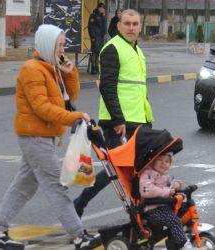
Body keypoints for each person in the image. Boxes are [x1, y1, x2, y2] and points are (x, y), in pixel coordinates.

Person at [0, 24, 99, 250]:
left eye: (64, 44)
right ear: (47, 44)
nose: (63, 49)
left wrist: (70, 72)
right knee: (57, 187)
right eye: (59, 45)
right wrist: (73, 117)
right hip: (35, 136)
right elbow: (41, 107)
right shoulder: (32, 69)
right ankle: (79, 236)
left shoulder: (51, 68)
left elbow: (70, 96)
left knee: (23, 186)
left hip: (43, 135)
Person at [73, 9, 154, 218]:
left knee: (136, 168)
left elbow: (138, 89)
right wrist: (118, 120)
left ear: (140, 27)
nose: (131, 28)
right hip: (117, 122)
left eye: (135, 24)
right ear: (118, 26)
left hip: (138, 120)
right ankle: (80, 203)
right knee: (116, 169)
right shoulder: (112, 49)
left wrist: (147, 120)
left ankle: (140, 211)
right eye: (127, 23)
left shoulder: (137, 50)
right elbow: (107, 87)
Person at [139, 152, 192, 249]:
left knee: (187, 208)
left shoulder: (164, 174)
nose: (163, 163)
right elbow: (145, 190)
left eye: (167, 161)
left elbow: (172, 182)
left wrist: (177, 184)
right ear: (152, 161)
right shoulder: (148, 174)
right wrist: (166, 192)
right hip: (152, 209)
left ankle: (185, 233)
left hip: (165, 206)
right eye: (159, 160)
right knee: (174, 220)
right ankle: (182, 244)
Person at [88, 2, 106, 74]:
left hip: (101, 37)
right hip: (95, 37)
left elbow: (104, 28)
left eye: (103, 8)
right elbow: (90, 27)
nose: (102, 9)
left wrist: (103, 34)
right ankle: (93, 68)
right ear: (98, 8)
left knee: (99, 53)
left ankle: (97, 67)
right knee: (94, 52)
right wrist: (92, 36)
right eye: (101, 8)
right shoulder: (93, 15)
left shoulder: (103, 16)